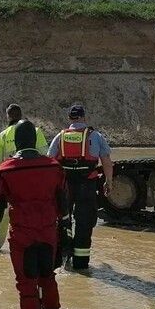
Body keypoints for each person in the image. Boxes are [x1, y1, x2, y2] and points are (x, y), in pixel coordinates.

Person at [0, 119, 70, 309]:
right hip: (49, 233)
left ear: (16, 142)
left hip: (22, 235)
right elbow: (63, 203)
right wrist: (65, 231)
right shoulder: (54, 167)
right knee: (48, 277)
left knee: (26, 282)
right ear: (34, 139)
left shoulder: (6, 170)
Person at [46, 104, 114, 269]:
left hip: (64, 187)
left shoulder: (60, 137)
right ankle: (81, 264)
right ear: (84, 117)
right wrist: (109, 181)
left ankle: (62, 256)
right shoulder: (96, 136)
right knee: (84, 223)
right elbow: (106, 162)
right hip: (87, 186)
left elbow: (49, 161)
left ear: (69, 119)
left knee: (63, 220)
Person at [0, 104, 48, 249]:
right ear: (21, 115)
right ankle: (32, 243)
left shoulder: (3, 135)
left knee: (2, 212)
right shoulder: (36, 131)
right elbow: (45, 154)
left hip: (9, 180)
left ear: (8, 116)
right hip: (33, 179)